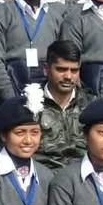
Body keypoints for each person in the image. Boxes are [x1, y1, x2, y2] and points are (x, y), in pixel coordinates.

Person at [35, 40, 92, 170]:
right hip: (44, 178)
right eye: (61, 69)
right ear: (46, 69)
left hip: (84, 177)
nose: (68, 76)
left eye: (74, 70)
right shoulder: (30, 105)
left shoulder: (91, 104)